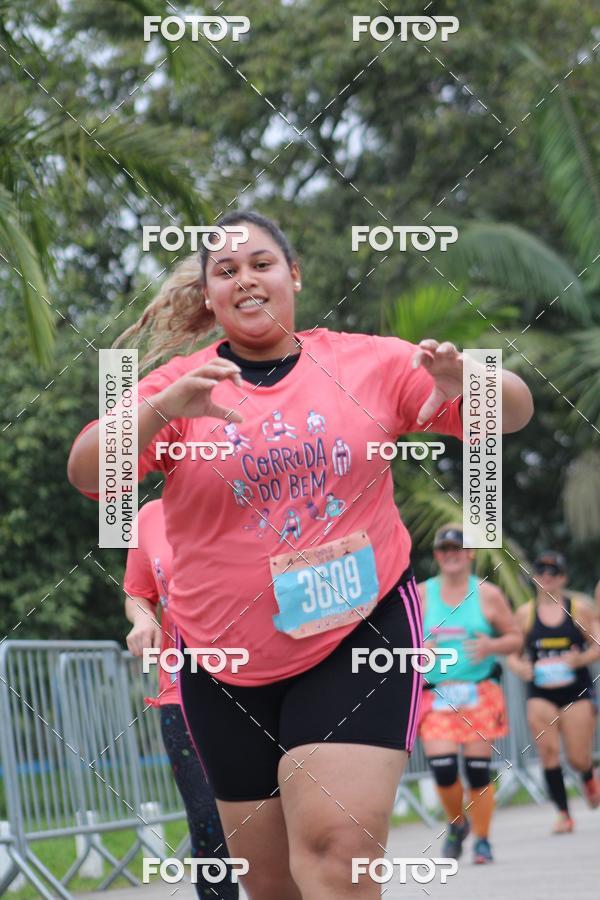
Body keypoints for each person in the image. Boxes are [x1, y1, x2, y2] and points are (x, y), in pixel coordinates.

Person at [68, 210, 533, 899]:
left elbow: (514, 412)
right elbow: (87, 471)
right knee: (273, 883)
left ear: (295, 275)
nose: (246, 279)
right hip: (222, 658)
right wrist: (160, 411)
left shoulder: (367, 362)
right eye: (225, 270)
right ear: (209, 293)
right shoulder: (179, 386)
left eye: (262, 263)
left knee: (337, 857)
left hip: (357, 631)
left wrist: (469, 378)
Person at [124, 498, 238, 899]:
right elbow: (138, 593)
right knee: (208, 821)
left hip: (261, 687)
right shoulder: (149, 516)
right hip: (182, 690)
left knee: (273, 822)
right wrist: (143, 618)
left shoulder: (255, 494)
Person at [417, 524, 522, 865]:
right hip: (436, 696)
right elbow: (399, 643)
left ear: (470, 554)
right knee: (443, 767)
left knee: (477, 770)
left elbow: (516, 637)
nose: (452, 555)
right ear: (437, 556)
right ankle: (457, 823)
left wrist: (492, 644)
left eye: (458, 548)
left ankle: (483, 840)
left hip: (479, 693)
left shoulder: (488, 594)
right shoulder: (421, 595)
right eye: (445, 549)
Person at [508, 551, 600, 833]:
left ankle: (587, 775)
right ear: (535, 578)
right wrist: (519, 667)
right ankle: (563, 813)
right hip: (540, 692)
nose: (547, 578)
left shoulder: (579, 608)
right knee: (548, 752)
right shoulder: (525, 614)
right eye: (542, 572)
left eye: (554, 573)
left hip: (576, 691)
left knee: (577, 757)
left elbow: (597, 645)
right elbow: (513, 652)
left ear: (563, 577)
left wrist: (581, 659)